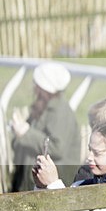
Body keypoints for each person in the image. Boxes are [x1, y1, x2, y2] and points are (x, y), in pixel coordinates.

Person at [10, 63, 81, 197]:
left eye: (37, 84)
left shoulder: (60, 112)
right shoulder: (43, 107)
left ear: (44, 87)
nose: (34, 88)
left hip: (52, 189)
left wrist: (25, 133)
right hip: (36, 186)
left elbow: (57, 148)